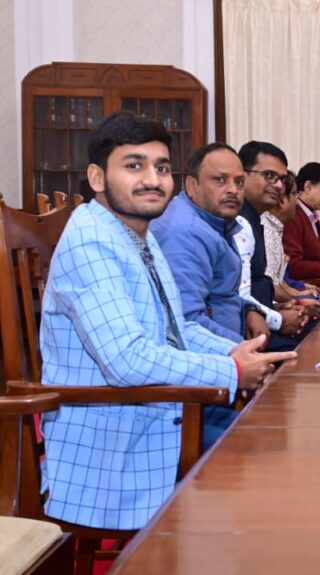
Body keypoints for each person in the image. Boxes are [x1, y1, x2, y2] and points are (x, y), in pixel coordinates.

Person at [39, 111, 294, 530]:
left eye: (160, 168)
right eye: (133, 166)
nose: (152, 180)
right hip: (116, 445)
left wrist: (238, 352)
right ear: (97, 177)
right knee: (271, 462)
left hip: (153, 414)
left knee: (278, 445)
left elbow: (177, 329)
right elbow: (126, 360)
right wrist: (230, 371)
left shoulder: (135, 232)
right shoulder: (92, 242)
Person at [151, 143, 267, 343]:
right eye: (219, 180)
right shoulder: (185, 232)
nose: (233, 190)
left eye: (239, 182)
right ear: (191, 185)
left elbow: (219, 293)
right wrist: (244, 349)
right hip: (213, 355)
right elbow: (187, 323)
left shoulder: (214, 221)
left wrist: (249, 309)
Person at [237, 141, 309, 352]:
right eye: (269, 176)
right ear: (242, 175)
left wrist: (277, 307)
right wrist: (278, 318)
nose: (278, 185)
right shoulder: (238, 222)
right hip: (247, 334)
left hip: (263, 320)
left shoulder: (255, 219)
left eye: (282, 179)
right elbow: (236, 296)